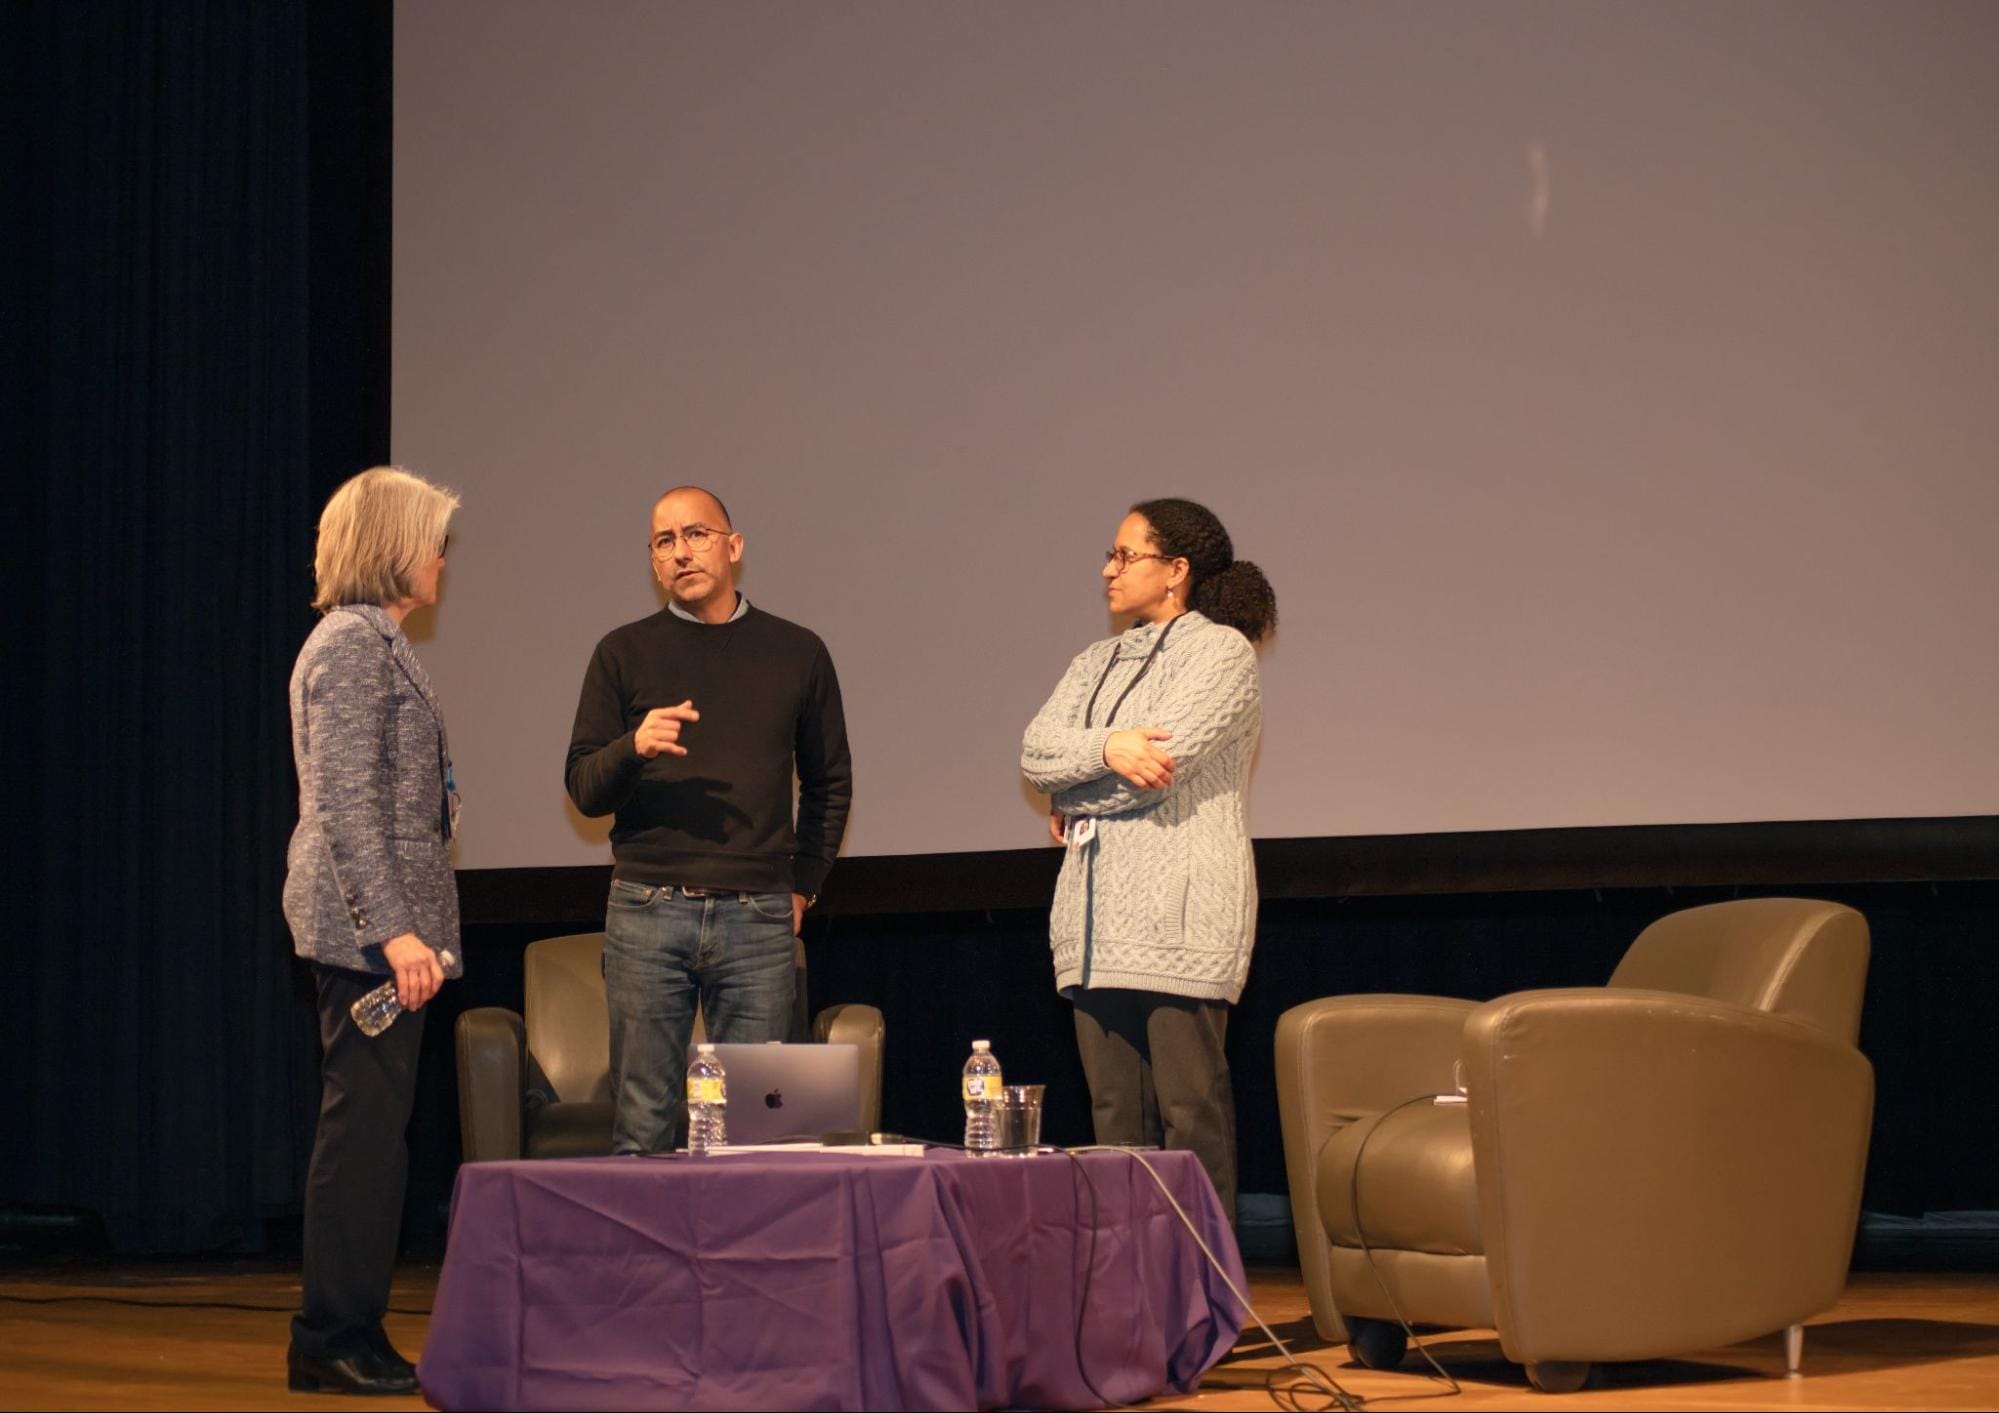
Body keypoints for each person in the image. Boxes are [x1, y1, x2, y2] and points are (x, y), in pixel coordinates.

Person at [566, 486, 853, 1154]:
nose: (680, 550)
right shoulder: (621, 652)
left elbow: (829, 781)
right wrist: (632, 746)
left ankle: (749, 1262)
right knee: (641, 1120)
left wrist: (803, 883)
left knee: (757, 1129)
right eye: (663, 541)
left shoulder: (796, 651)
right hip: (646, 908)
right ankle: (644, 1263)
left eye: (695, 533)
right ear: (652, 562)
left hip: (756, 915)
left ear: (734, 546)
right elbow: (582, 785)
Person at [1021, 497, 1276, 1220]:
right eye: (1109, 554)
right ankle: (1133, 1297)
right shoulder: (1093, 661)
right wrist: (1104, 748)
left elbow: (1162, 765)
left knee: (1188, 1114)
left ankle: (1209, 1299)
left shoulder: (1220, 652)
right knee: (1113, 1126)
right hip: (1092, 928)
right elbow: (1036, 752)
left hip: (1179, 918)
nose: (1108, 569)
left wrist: (1076, 796)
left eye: (1125, 555)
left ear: (1176, 571)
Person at [282, 466, 462, 1395]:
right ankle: (330, 1335)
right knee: (360, 1138)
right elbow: (348, 809)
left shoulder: (374, 640)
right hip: (367, 943)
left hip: (385, 938)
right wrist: (394, 933)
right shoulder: (352, 643)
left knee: (377, 1138)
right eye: (433, 537)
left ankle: (353, 1327)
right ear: (394, 542)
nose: (441, 557)